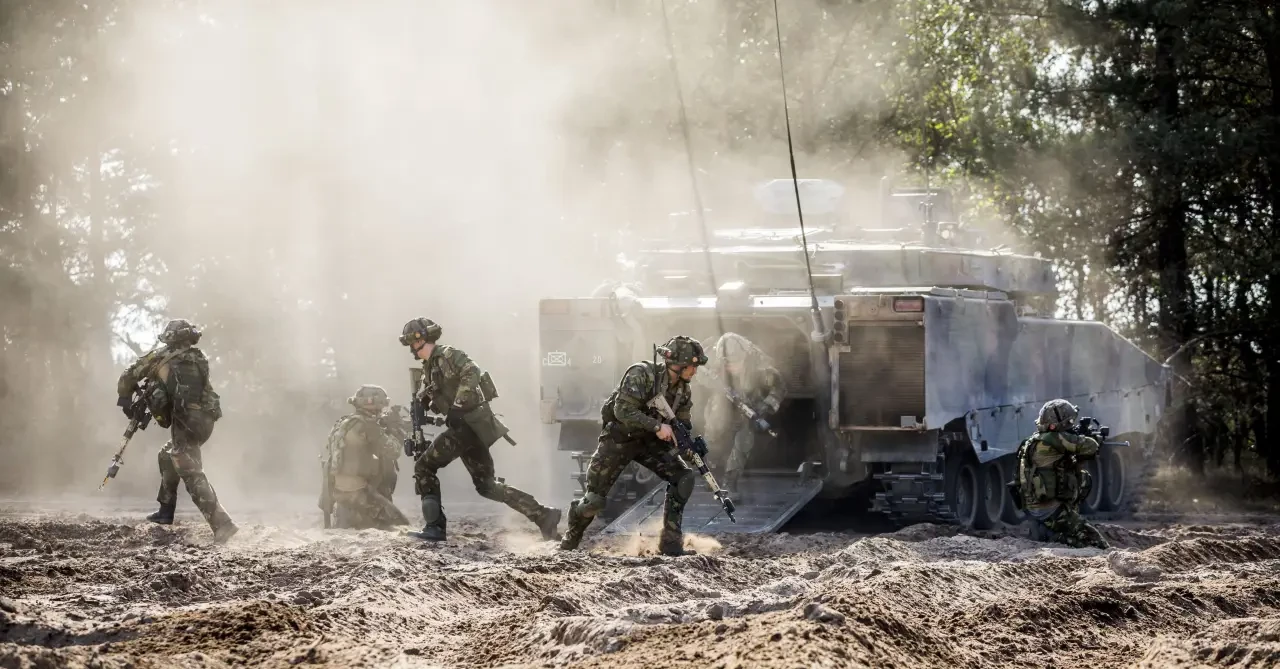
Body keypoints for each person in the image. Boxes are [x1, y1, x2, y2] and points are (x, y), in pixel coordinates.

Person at [399, 318, 561, 542]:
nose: (412, 348)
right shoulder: (430, 367)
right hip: (471, 429)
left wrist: (457, 406)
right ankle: (543, 515)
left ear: (423, 339)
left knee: (424, 467)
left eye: (413, 342)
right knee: (486, 486)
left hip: (467, 426)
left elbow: (472, 371)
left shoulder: (446, 355)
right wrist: (425, 402)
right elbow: (439, 394)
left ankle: (434, 528)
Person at [559, 335, 706, 556]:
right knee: (593, 501)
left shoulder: (683, 391)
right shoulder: (641, 374)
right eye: (692, 366)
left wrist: (688, 447)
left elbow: (681, 424)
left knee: (683, 478)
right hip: (619, 439)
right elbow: (622, 410)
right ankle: (569, 541)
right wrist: (657, 426)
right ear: (678, 364)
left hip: (648, 443)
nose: (695, 371)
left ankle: (670, 544)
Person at [117, 319, 237, 543]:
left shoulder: (161, 357)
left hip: (184, 420)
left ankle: (222, 524)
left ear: (170, 337)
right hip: (205, 421)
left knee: (189, 470)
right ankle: (165, 511)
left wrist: (124, 398)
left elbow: (128, 375)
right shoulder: (199, 358)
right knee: (168, 455)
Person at [1016, 399, 1109, 549]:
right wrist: (1088, 437)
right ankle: (1053, 534)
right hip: (1050, 511)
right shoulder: (1056, 439)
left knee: (1083, 478)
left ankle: (1052, 526)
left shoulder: (1034, 440)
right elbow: (1091, 446)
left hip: (1033, 508)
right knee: (1096, 542)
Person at [700, 332, 786, 493]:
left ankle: (730, 480)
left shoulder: (761, 367)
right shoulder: (709, 358)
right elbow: (695, 373)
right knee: (713, 433)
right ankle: (712, 474)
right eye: (727, 364)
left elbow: (779, 387)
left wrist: (766, 406)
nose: (732, 367)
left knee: (744, 440)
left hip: (749, 403)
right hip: (722, 400)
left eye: (736, 362)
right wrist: (712, 381)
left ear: (745, 357)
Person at [319, 385, 411, 530]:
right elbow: (393, 451)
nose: (382, 410)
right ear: (375, 405)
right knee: (401, 524)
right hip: (361, 497)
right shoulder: (368, 426)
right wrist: (397, 433)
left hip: (340, 496)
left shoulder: (343, 423)